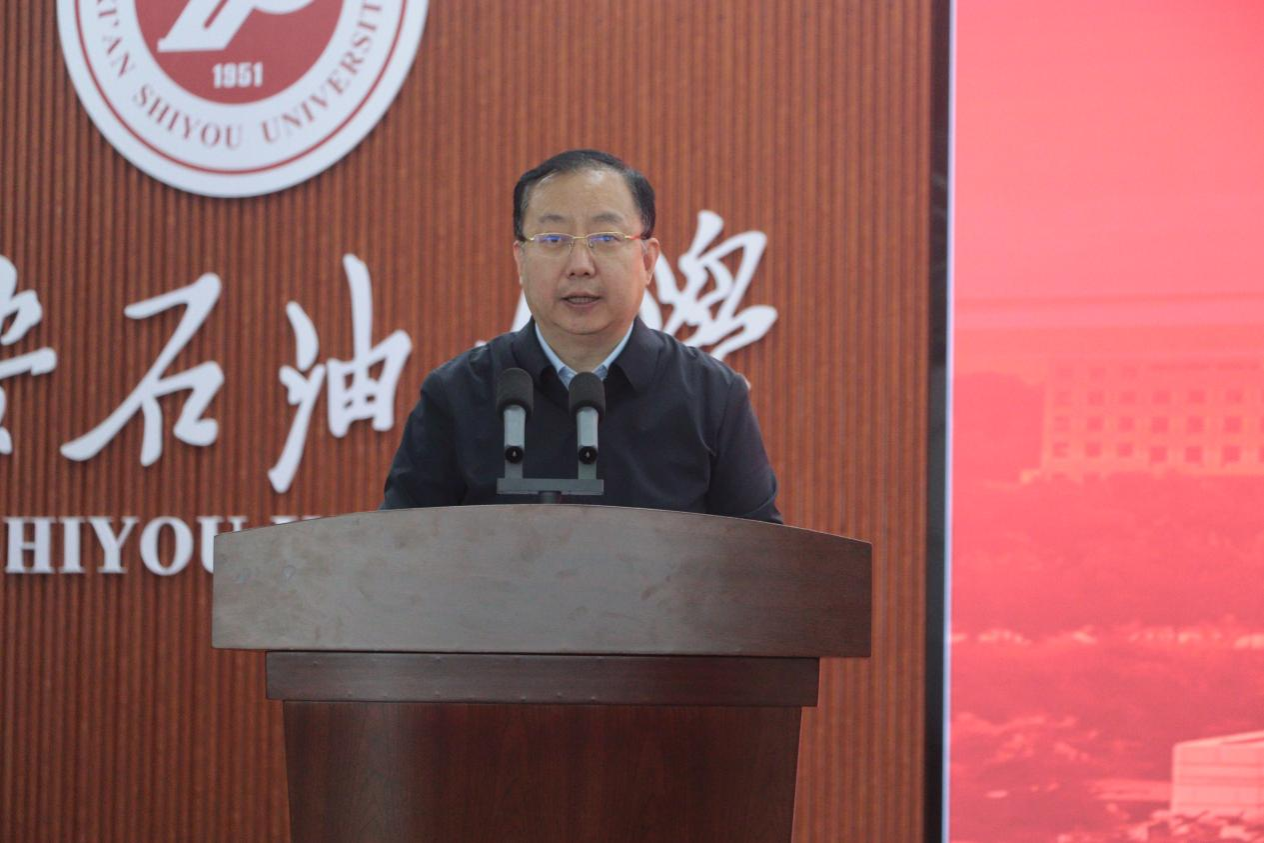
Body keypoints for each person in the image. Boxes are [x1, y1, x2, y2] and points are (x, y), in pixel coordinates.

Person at [380, 149, 781, 523]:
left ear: (647, 260)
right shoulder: (456, 394)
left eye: (605, 238)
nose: (580, 265)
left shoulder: (712, 396)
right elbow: (399, 550)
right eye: (553, 240)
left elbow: (759, 558)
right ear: (520, 259)